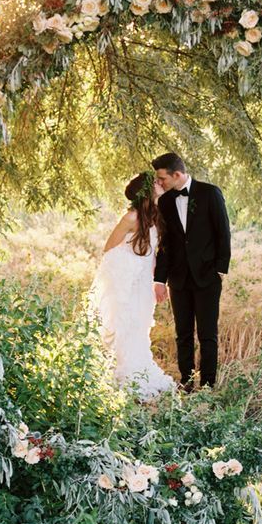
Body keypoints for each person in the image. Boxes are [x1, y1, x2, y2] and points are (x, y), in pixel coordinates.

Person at [88, 171, 176, 399]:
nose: (160, 183)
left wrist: (153, 272)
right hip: (127, 279)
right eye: (155, 182)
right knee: (126, 325)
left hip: (145, 278)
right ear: (147, 191)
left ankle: (140, 369)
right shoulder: (130, 218)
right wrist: (131, 269)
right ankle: (125, 374)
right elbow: (109, 248)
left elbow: (156, 249)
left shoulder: (158, 215)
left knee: (140, 325)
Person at [152, 153, 231, 391]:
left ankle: (207, 385)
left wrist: (220, 270)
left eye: (162, 178)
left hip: (207, 277)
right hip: (178, 279)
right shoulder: (165, 202)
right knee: (182, 334)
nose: (160, 183)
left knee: (208, 335)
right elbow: (165, 244)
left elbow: (223, 232)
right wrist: (159, 280)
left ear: (177, 175)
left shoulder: (210, 193)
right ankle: (186, 382)